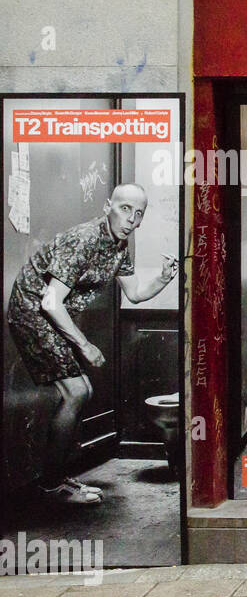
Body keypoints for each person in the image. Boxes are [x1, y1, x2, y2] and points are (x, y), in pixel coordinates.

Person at [5, 183, 178, 504]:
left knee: (79, 392)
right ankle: (52, 486)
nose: (131, 218)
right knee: (77, 391)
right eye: (125, 208)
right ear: (107, 206)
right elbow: (50, 302)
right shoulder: (84, 239)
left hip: (50, 315)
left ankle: (58, 478)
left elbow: (136, 294)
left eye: (138, 213)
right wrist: (84, 345)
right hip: (31, 309)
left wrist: (164, 277)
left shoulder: (119, 245)